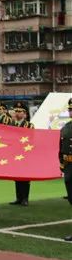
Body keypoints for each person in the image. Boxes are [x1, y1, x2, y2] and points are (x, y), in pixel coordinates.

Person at [9, 102, 34, 206]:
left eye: (20, 111)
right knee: (17, 177)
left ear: (24, 113)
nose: (17, 113)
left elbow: (31, 140)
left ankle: (25, 198)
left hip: (25, 154)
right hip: (15, 154)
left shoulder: (29, 125)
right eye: (16, 111)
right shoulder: (11, 124)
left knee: (25, 177)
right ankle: (18, 198)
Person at [58, 98, 72, 241]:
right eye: (70, 109)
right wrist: (62, 163)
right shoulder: (66, 127)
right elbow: (61, 147)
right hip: (69, 167)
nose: (71, 112)